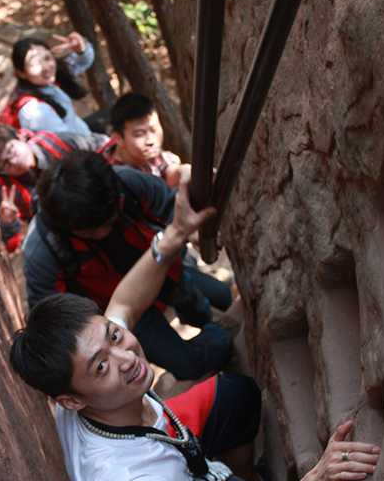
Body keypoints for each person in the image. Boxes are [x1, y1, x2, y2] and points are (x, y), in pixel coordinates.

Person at [9, 170, 381, 481]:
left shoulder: (87, 389)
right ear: (70, 400)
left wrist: (177, 232)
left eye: (115, 338)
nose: (127, 359)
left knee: (233, 396)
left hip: (162, 442)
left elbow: (123, 301)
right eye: (100, 366)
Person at [23, 150, 235, 381]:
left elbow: (169, 206)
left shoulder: (127, 183)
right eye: (92, 231)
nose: (104, 232)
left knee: (209, 303)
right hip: (123, 316)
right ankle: (226, 336)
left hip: (167, 272)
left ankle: (213, 326)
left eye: (110, 221)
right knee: (189, 365)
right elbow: (53, 320)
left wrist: (192, 231)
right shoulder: (42, 254)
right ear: (65, 226)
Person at [0, 124, 109, 252]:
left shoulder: (56, 143)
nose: (14, 162)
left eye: (11, 150)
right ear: (1, 173)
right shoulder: (9, 195)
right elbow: (5, 245)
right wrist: (8, 223)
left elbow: (104, 145)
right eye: (5, 164)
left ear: (19, 137)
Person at [9, 32, 95, 136]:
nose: (46, 67)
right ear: (21, 73)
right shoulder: (33, 110)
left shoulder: (51, 80)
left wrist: (81, 48)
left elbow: (82, 62)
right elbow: (66, 142)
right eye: (35, 63)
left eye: (47, 58)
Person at [108, 92, 183, 188]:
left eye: (154, 130)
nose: (150, 141)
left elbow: (171, 171)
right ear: (118, 138)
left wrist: (183, 171)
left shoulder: (149, 156)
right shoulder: (112, 178)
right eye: (139, 134)